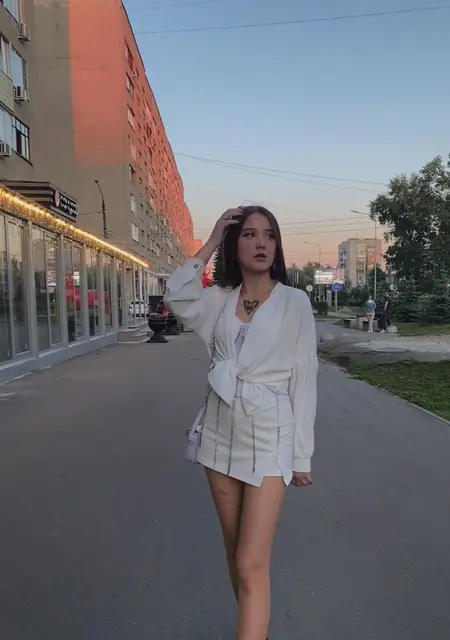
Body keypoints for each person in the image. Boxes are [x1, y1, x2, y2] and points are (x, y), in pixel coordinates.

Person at [164, 205, 318, 640]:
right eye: (249, 234)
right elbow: (176, 295)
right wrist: (211, 240)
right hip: (219, 436)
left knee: (251, 562)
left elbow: (305, 379)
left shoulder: (295, 302)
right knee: (238, 558)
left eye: (269, 235)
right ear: (235, 246)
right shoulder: (218, 300)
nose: (261, 243)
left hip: (270, 438)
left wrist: (301, 455)